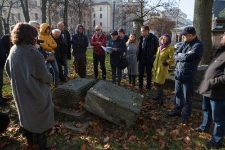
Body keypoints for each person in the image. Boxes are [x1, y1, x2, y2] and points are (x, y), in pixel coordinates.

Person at [5, 22, 54, 149]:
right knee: (41, 122)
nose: (36, 38)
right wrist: (50, 74)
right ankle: (42, 147)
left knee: (26, 118)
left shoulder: (13, 49)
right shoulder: (34, 53)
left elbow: (7, 68)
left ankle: (30, 143)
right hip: (36, 94)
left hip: (20, 93)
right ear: (30, 36)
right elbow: (45, 77)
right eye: (34, 35)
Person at [166, 27, 204, 125]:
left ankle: (186, 116)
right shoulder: (184, 43)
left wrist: (182, 55)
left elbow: (189, 57)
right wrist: (183, 55)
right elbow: (175, 55)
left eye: (184, 35)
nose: (182, 37)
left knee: (188, 98)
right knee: (178, 94)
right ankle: (177, 111)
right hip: (179, 74)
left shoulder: (198, 45)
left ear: (190, 35)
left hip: (188, 75)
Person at [195, 34, 225, 149]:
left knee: (218, 118)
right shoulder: (220, 51)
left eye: (223, 37)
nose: (221, 38)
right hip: (207, 88)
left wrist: (213, 81)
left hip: (217, 91)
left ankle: (216, 141)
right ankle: (204, 127)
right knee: (206, 109)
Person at [152, 34, 175, 106]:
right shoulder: (159, 47)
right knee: (156, 83)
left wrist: (166, 62)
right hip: (156, 68)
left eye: (164, 38)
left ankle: (161, 100)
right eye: (161, 38)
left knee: (160, 84)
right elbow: (157, 55)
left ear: (168, 40)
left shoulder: (170, 48)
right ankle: (158, 96)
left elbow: (172, 59)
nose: (162, 39)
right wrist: (154, 58)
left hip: (162, 68)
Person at [137, 25, 159, 95]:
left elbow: (157, 49)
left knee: (149, 74)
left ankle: (148, 88)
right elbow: (139, 48)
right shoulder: (141, 38)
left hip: (149, 59)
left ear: (147, 31)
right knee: (140, 73)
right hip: (141, 59)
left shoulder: (153, 38)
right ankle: (140, 87)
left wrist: (153, 58)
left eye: (142, 31)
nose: (141, 33)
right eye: (141, 31)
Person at [39, 23, 59, 87]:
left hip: (52, 55)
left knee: (56, 70)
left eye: (49, 29)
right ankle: (47, 85)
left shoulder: (49, 36)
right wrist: (51, 48)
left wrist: (49, 45)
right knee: (47, 71)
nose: (48, 30)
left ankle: (56, 84)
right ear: (44, 29)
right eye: (47, 29)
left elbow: (55, 45)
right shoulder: (40, 36)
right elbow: (44, 46)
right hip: (45, 56)